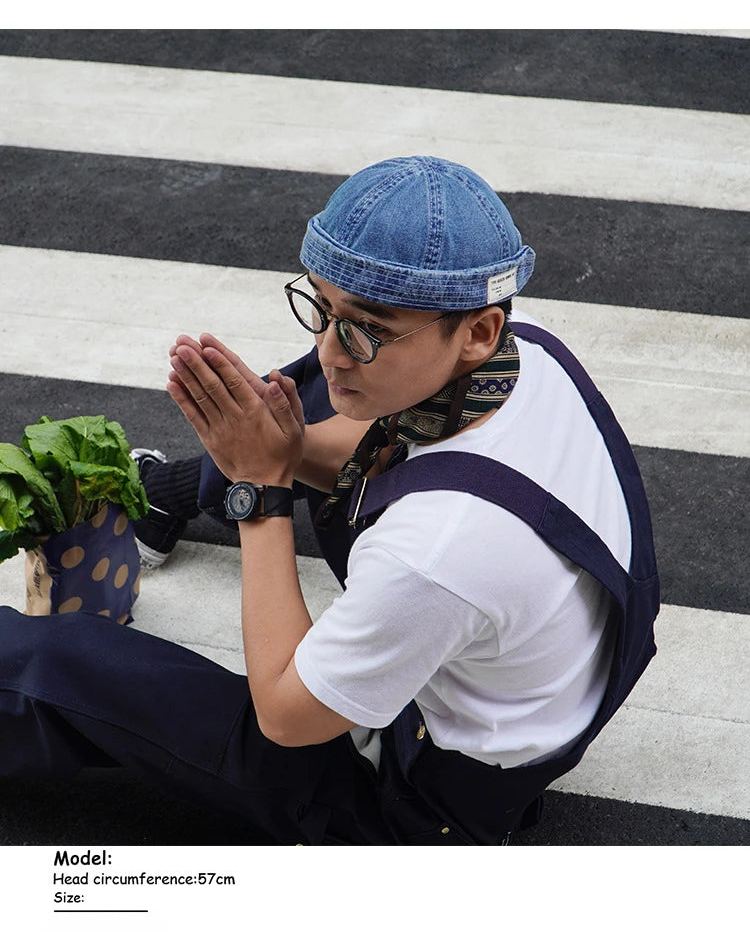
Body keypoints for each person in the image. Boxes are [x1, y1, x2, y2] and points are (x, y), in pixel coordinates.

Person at [0, 156, 658, 844]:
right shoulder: (531, 355)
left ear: (479, 331)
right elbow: (364, 408)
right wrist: (264, 447)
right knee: (311, 391)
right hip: (535, 678)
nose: (329, 344)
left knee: (65, 665)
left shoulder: (438, 552)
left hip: (416, 803)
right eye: (320, 304)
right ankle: (163, 499)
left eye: (367, 325)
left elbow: (286, 718)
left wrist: (260, 492)